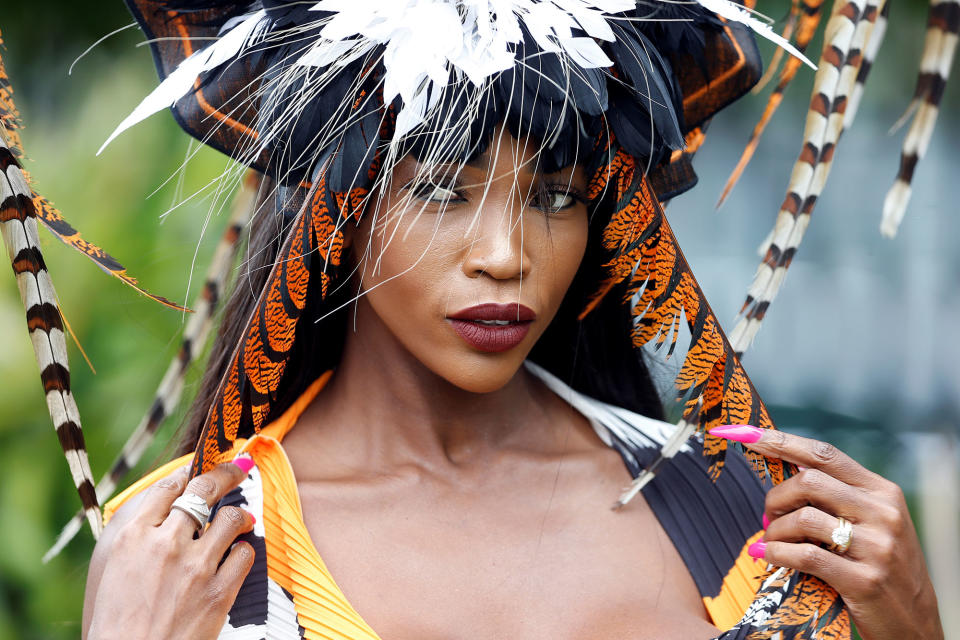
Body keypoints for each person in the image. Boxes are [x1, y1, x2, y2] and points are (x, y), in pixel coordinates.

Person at [50, 1, 941, 638]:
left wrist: (911, 626)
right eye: (443, 189)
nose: (507, 255)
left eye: (554, 195)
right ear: (339, 204)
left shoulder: (743, 502)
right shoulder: (189, 557)